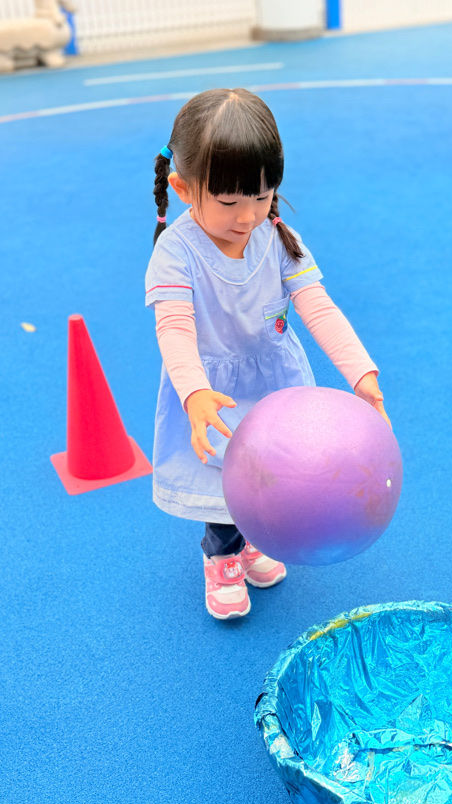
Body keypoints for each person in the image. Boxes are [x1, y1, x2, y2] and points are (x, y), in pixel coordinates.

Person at [145, 88, 388, 621]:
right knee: (223, 485)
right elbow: (175, 328)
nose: (248, 215)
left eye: (261, 196)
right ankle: (221, 557)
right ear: (183, 189)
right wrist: (194, 393)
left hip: (277, 386)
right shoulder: (175, 252)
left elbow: (318, 306)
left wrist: (361, 374)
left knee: (273, 472)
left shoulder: (277, 237)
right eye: (229, 202)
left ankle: (255, 539)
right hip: (217, 393)